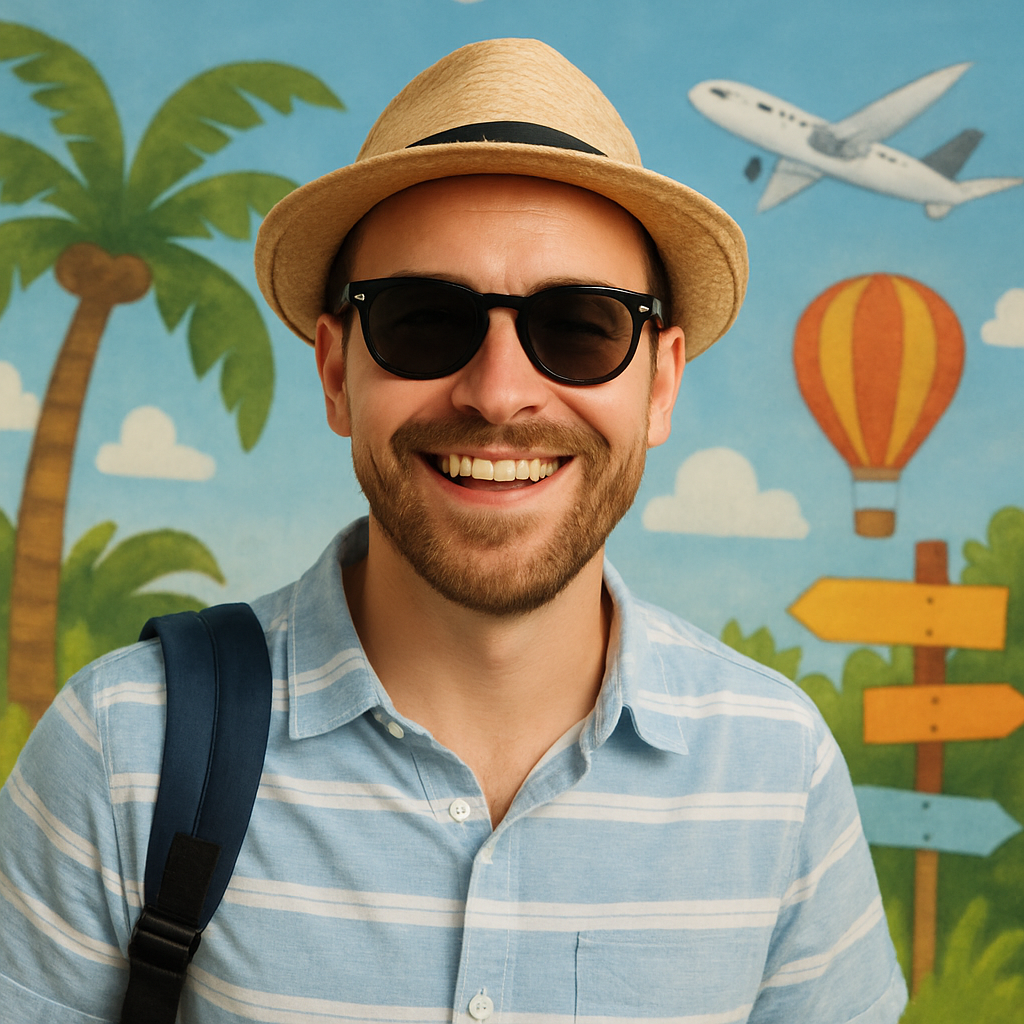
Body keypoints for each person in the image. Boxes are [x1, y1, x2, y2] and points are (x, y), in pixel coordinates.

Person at [0, 38, 907, 1022]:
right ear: (336, 373)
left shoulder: (781, 769)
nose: (499, 393)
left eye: (580, 326)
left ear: (661, 384)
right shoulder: (121, 749)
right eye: (424, 319)